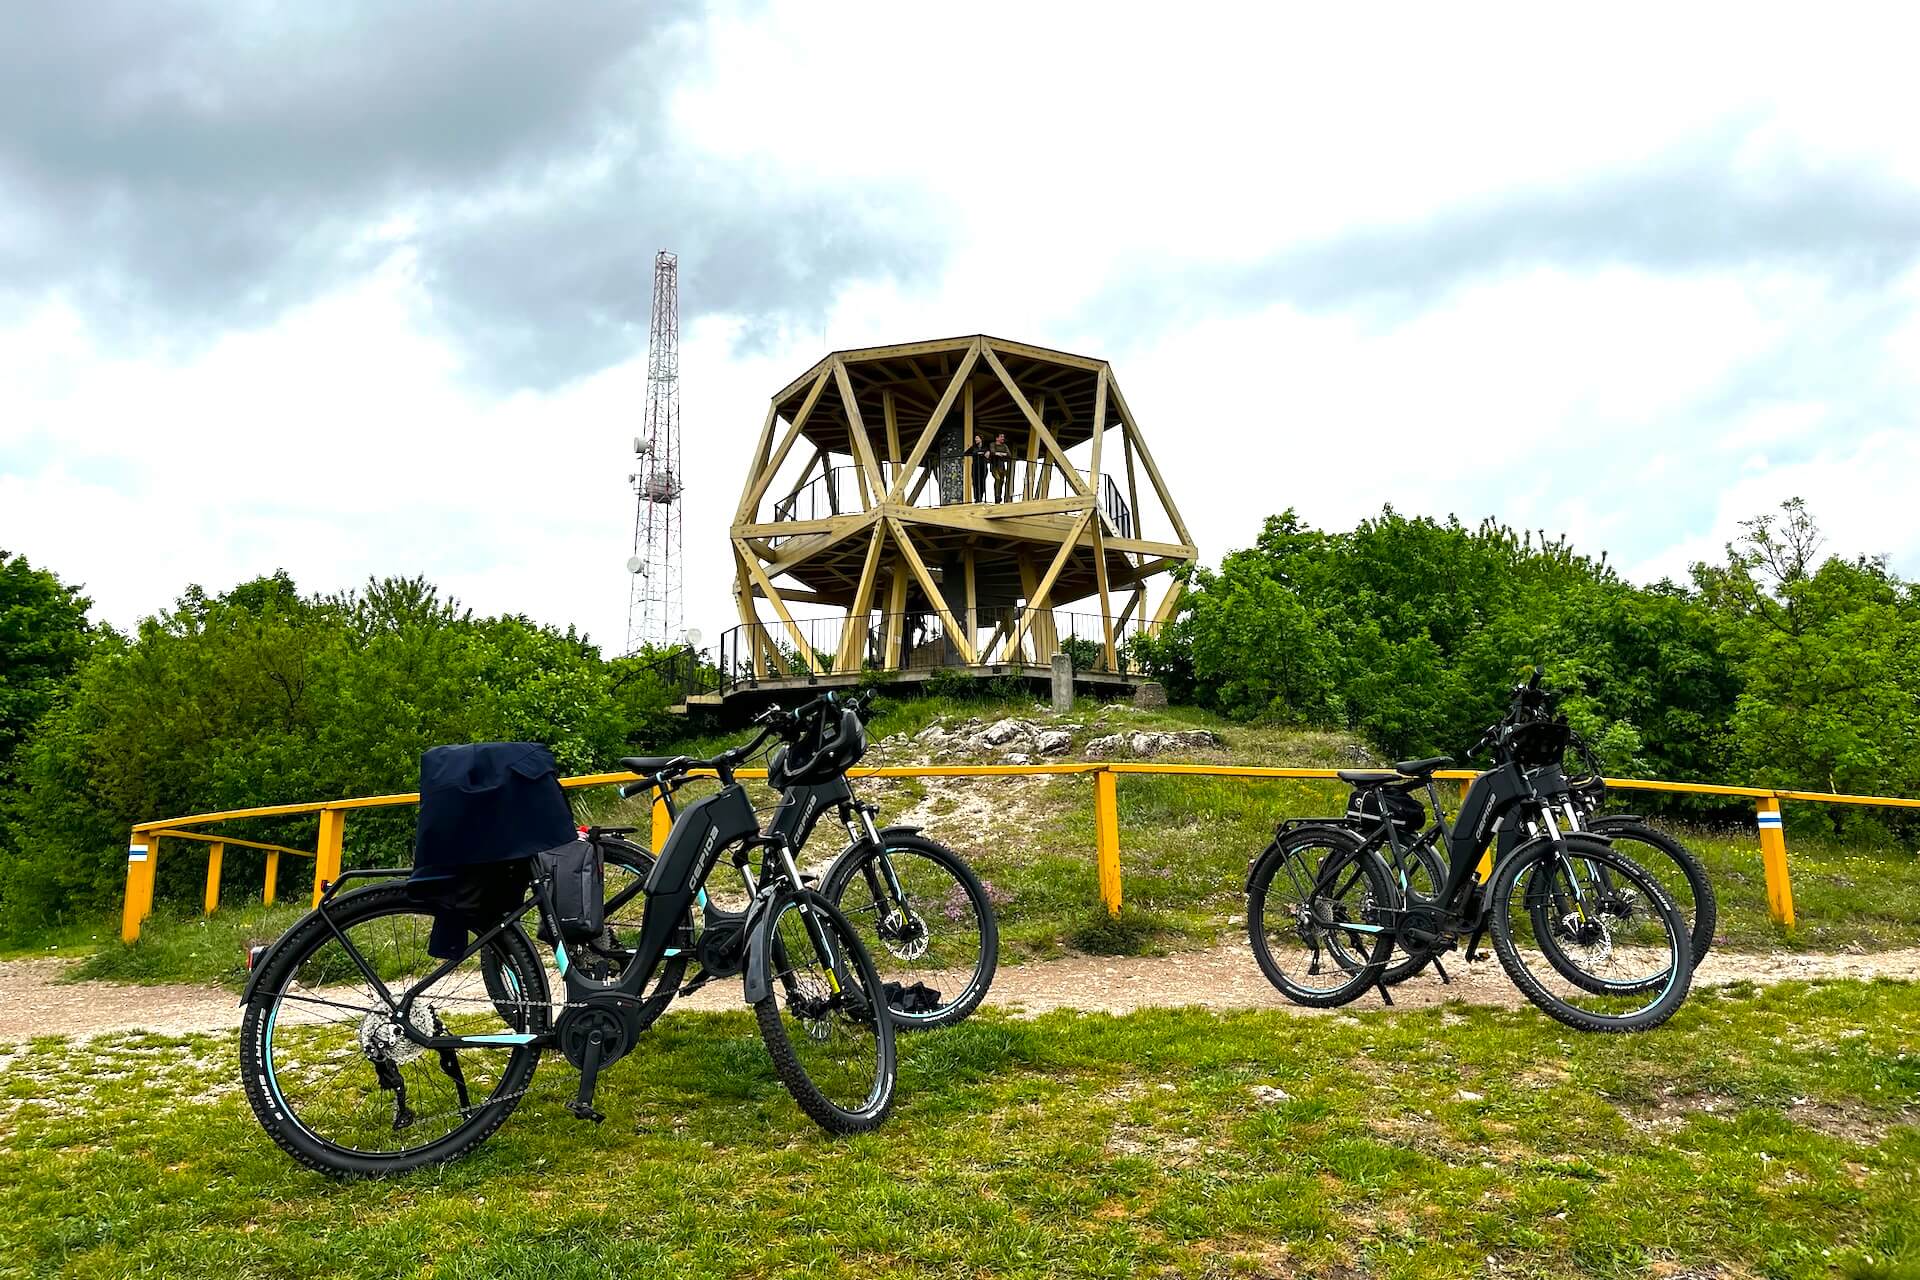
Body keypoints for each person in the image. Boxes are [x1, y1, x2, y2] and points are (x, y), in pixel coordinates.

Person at [961, 432, 990, 503]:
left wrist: (987, 452)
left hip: (983, 466)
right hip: (975, 467)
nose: (976, 439)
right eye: (975, 438)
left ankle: (981, 497)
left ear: (981, 439)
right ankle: (976, 498)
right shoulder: (973, 447)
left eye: (977, 438)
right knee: (975, 482)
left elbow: (989, 453)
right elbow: (966, 453)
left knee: (982, 482)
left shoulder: (985, 447)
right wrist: (978, 453)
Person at [988, 433, 1014, 503]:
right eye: (1001, 437)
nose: (1003, 438)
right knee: (998, 479)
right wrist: (999, 454)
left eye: (1003, 437)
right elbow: (992, 452)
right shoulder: (992, 444)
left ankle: (999, 496)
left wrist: (1000, 454)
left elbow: (1009, 454)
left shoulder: (1004, 446)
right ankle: (997, 497)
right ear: (997, 438)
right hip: (994, 466)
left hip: (1002, 466)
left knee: (1002, 481)